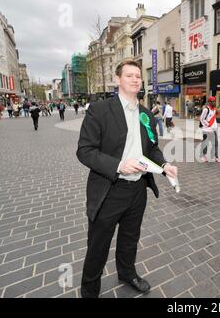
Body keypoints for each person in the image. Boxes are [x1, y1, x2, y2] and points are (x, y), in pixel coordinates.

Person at [76, 60, 178, 298]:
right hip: (109, 189)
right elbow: (85, 150)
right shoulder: (100, 110)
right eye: (129, 75)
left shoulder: (146, 114)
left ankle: (127, 273)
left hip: (138, 190)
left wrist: (164, 166)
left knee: (130, 238)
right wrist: (119, 165)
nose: (135, 79)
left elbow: (152, 148)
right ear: (118, 80)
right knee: (98, 245)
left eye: (138, 76)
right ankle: (89, 290)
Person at [200, 96, 220, 163]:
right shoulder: (206, 109)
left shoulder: (214, 109)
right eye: (212, 101)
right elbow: (202, 119)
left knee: (215, 143)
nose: (213, 102)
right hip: (206, 130)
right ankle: (203, 156)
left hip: (213, 130)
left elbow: (214, 117)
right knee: (205, 144)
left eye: (214, 101)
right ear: (209, 102)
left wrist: (218, 112)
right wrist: (208, 125)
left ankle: (216, 157)